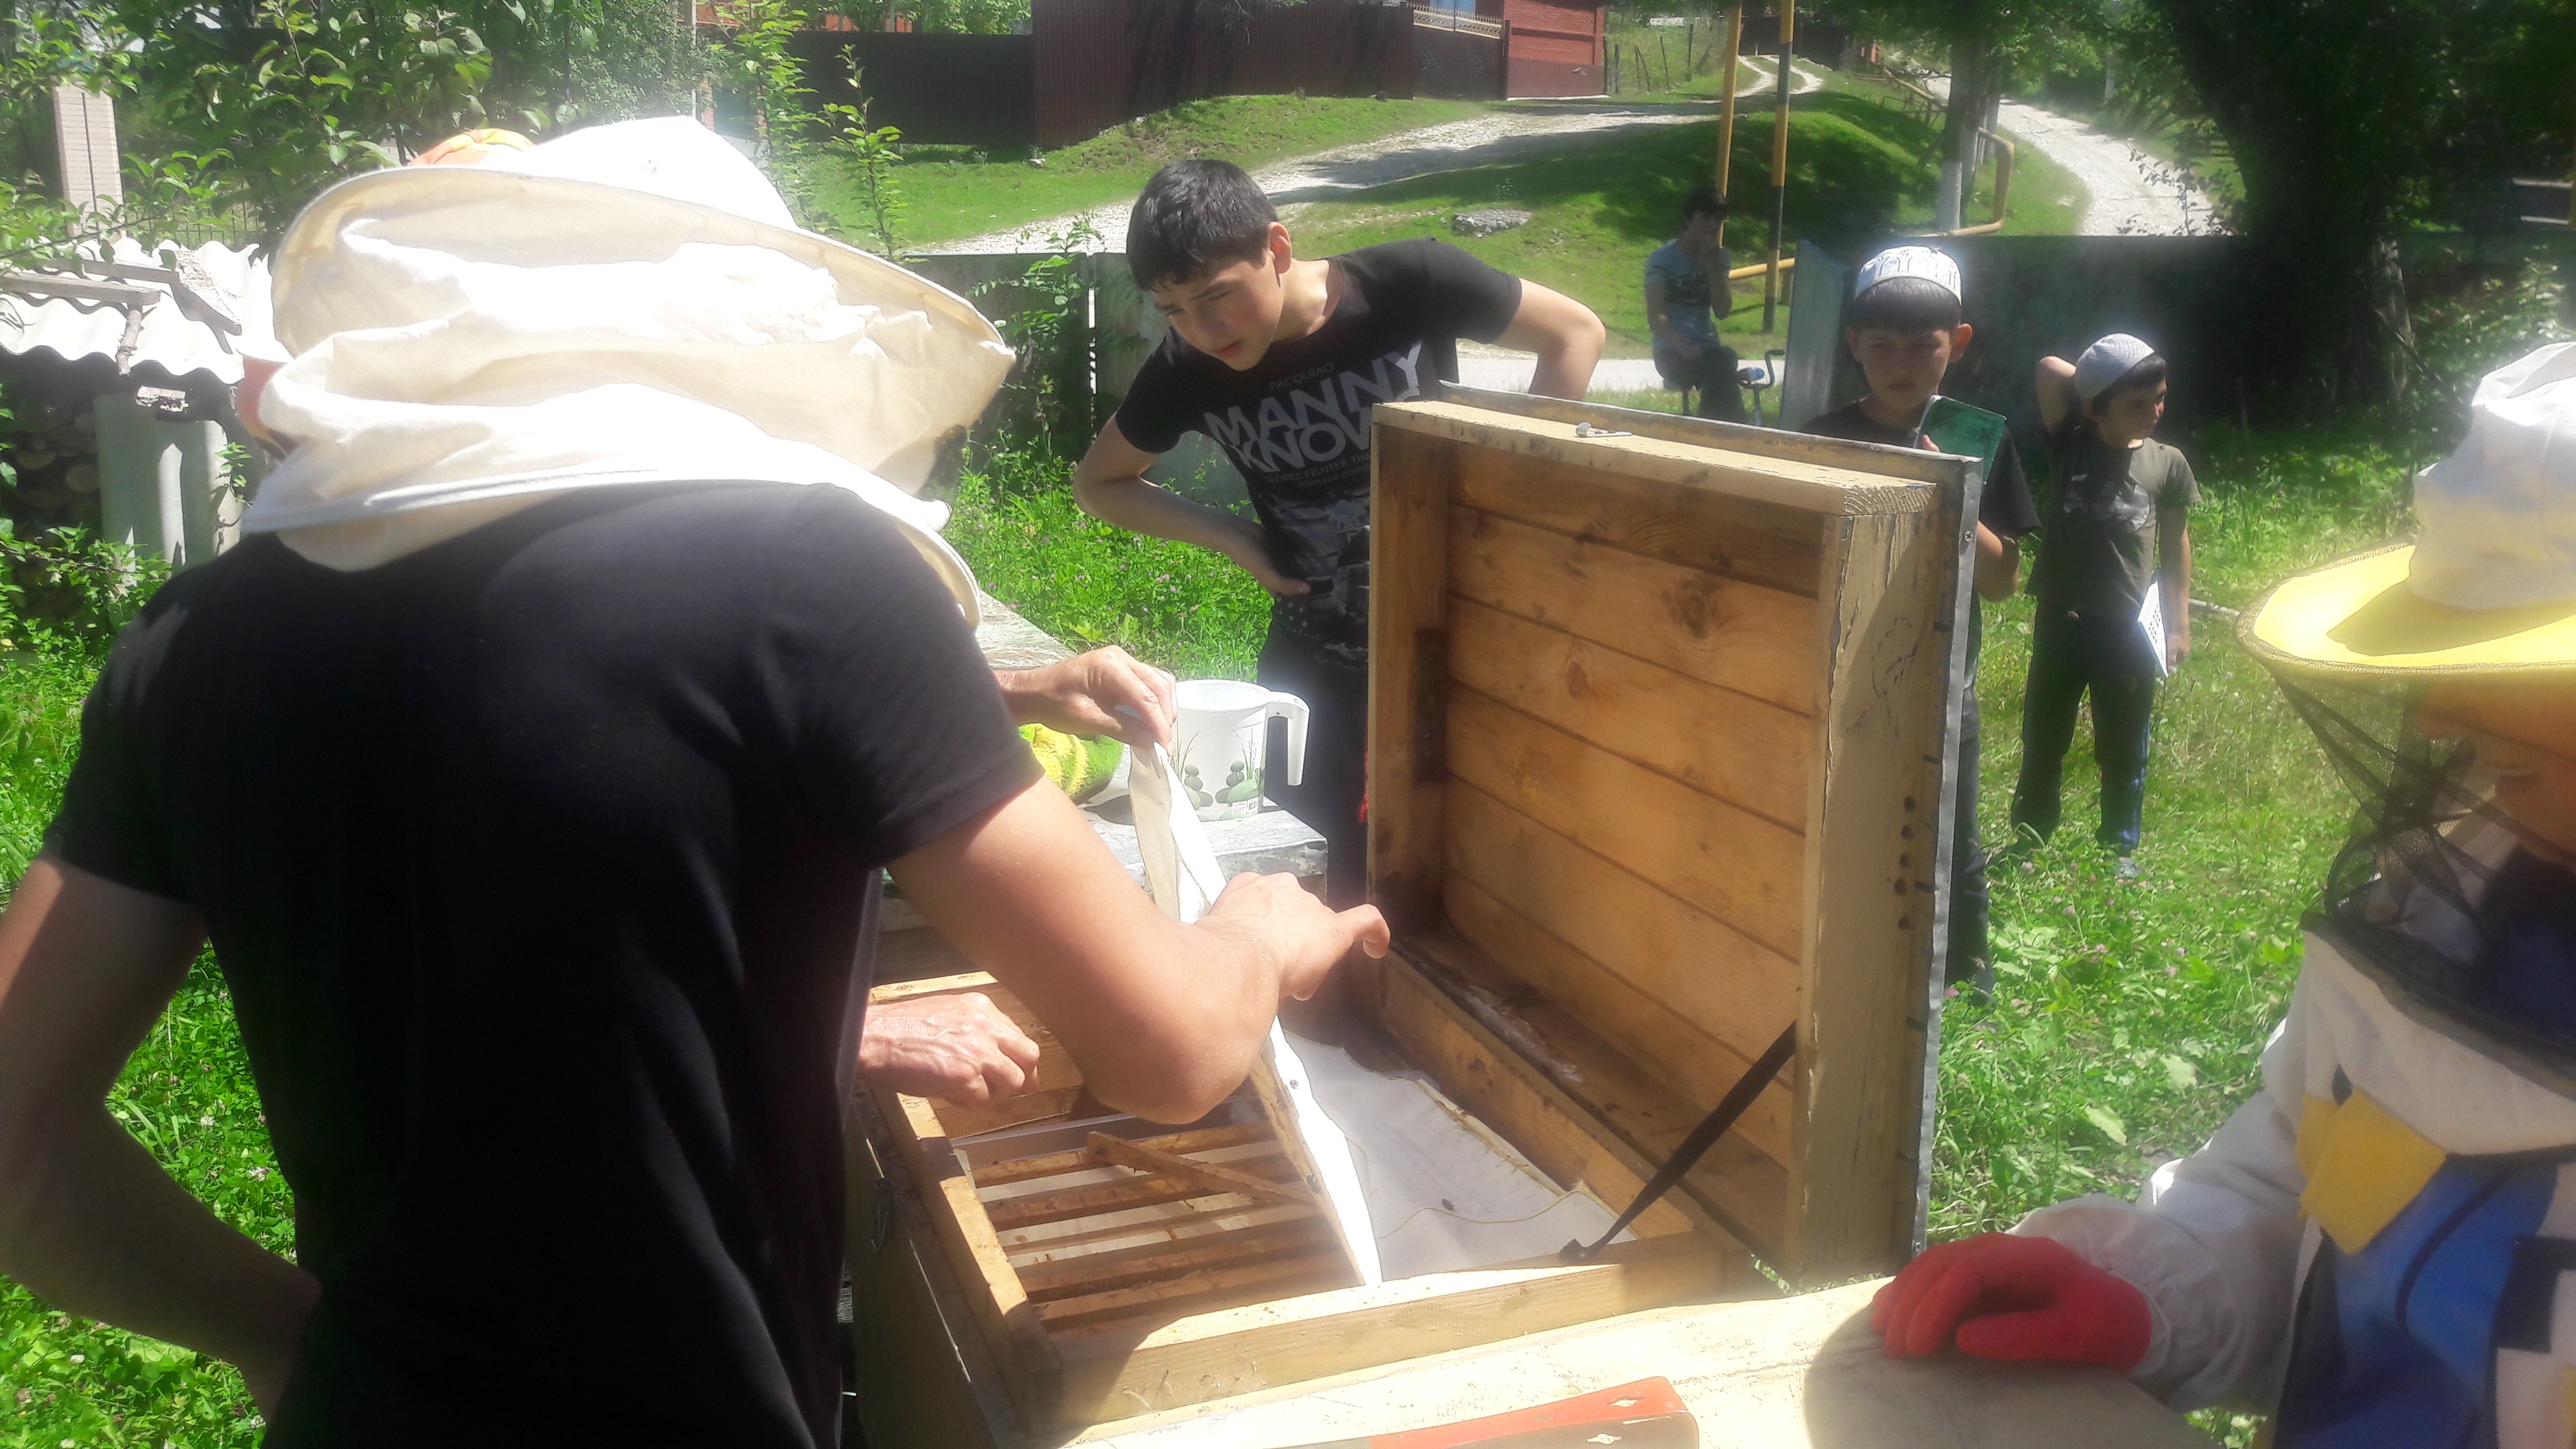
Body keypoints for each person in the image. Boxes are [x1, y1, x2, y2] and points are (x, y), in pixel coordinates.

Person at [0, 119, 1390, 1448]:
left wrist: (285, 1336)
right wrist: (1256, 932)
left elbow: (17, 1142)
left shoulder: (196, 639)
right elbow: (1167, 1053)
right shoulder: (811, 578)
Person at [1871, 341, 2576, 1445]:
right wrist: (2147, 1293)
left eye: (2524, 668)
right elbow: (2302, 1175)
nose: (2443, 715)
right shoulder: (2452, 889)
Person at [1072, 159, 1604, 908]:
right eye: (1174, 310)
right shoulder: (1188, 367)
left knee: (1462, 870)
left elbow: (1575, 333)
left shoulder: (1410, 282)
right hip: (1313, 673)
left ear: (1277, 248)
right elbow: (1099, 483)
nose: (1203, 329)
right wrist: (1235, 537)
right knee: (1311, 879)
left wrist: (1500, 509)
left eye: (1217, 296)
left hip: (1454, 645)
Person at [1803, 246, 2039, 996]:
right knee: (1846, 818)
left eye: (1921, 347)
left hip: (1942, 679)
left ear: (1957, 343)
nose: (1900, 364)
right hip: (1843, 673)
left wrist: (1955, 498)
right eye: (1881, 346)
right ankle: (1853, 953)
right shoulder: (1823, 435)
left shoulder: (1978, 439)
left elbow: (2003, 584)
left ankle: (1968, 968)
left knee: (1950, 827)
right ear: (1853, 344)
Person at [2009, 333, 2198, 874]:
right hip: (2063, 618)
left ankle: (2120, 845)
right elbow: (2049, 369)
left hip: (2131, 629)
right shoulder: (2071, 441)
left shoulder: (2168, 463)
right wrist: (2098, 382)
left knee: (2125, 742)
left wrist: (2179, 624)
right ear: (2094, 409)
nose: (2154, 412)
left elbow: (2176, 545)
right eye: (2137, 403)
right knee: (2045, 734)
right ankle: (2031, 835)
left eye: (2160, 398)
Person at [1644, 186, 1746, 424]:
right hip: (1671, 350)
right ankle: (1726, 429)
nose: (1712, 226)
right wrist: (1682, 345)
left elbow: (1723, 311)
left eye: (1717, 220)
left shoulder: (1720, 258)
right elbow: (1655, 315)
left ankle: (1714, 429)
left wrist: (1713, 267)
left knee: (1724, 361)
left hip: (1709, 349)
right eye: (1705, 218)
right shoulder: (1662, 259)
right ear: (1688, 219)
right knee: (1722, 368)